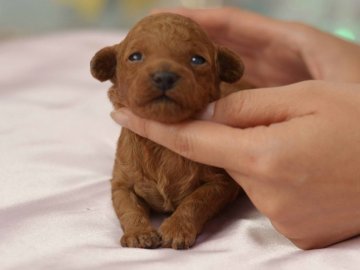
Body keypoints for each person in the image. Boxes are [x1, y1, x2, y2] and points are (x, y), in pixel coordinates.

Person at [111, 7, 360, 249]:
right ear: (111, 70)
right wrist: (136, 227)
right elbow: (122, 187)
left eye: (197, 60)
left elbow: (222, 183)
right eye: (135, 57)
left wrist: (187, 217)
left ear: (222, 73)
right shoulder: (128, 152)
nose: (163, 76)